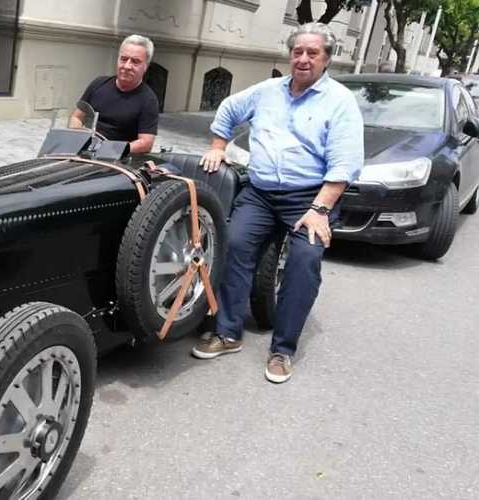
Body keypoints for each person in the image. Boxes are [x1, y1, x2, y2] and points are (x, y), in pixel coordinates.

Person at [192, 23, 364, 383]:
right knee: (234, 245)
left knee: (305, 260)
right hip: (260, 192)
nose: (303, 59)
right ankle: (228, 333)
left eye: (312, 53)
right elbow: (227, 109)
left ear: (326, 59)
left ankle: (282, 349)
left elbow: (344, 165)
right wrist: (217, 146)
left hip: (310, 197)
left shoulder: (340, 102)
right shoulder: (267, 91)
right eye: (297, 51)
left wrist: (319, 210)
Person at [69, 34, 159, 154]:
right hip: (85, 150)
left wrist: (110, 150)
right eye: (123, 59)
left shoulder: (149, 100)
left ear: (146, 66)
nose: (127, 66)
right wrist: (78, 137)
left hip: (115, 158)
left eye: (135, 61)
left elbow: (146, 143)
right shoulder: (98, 83)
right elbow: (77, 116)